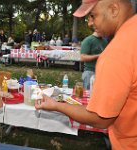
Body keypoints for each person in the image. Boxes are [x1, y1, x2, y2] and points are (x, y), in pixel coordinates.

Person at [35, 0, 137, 149]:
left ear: (114, 9)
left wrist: (56, 105)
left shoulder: (116, 53)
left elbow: (101, 118)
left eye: (92, 15)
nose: (89, 23)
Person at [81, 24, 108, 90]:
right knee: (88, 95)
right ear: (96, 28)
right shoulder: (88, 40)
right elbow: (83, 57)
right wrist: (98, 56)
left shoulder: (105, 41)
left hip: (102, 72)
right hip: (90, 72)